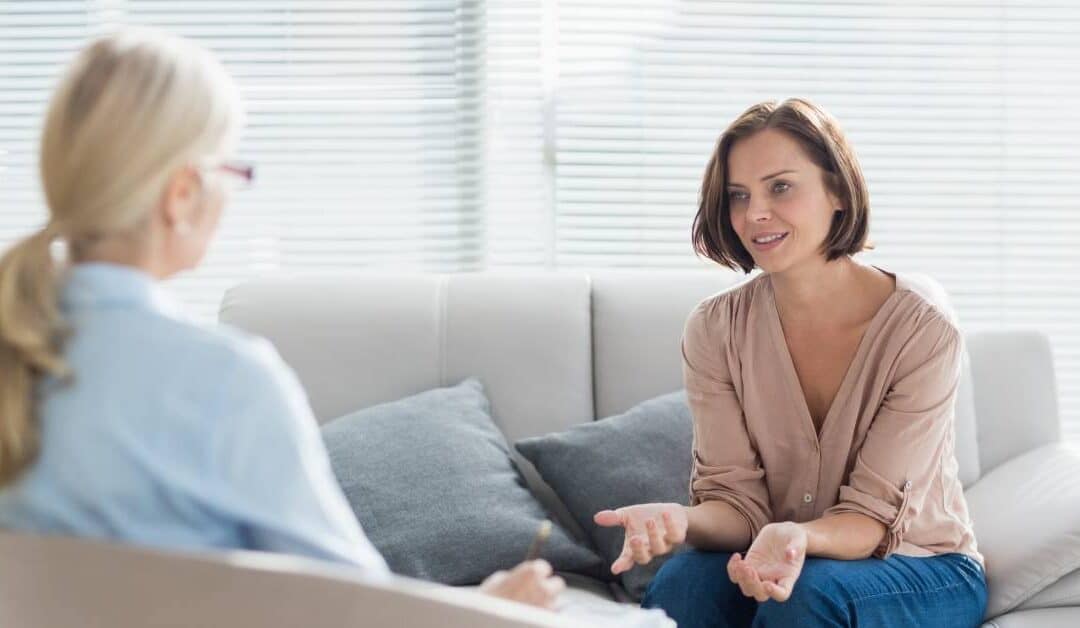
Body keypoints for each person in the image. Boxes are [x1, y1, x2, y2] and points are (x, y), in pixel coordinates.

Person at [0, 28, 562, 610]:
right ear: (182, 193)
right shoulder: (223, 381)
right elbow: (355, 614)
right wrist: (490, 610)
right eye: (231, 170)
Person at [593, 99, 988, 627]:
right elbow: (738, 505)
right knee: (682, 584)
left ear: (839, 192)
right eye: (739, 195)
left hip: (920, 565)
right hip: (780, 556)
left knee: (806, 595)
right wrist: (680, 521)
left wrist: (800, 536)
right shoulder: (715, 330)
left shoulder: (922, 331)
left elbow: (871, 521)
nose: (755, 213)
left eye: (780, 186)